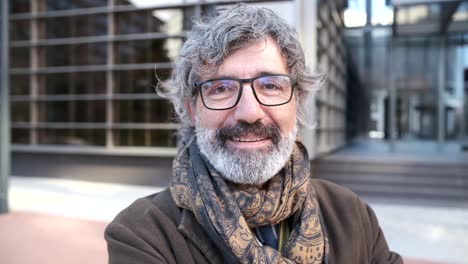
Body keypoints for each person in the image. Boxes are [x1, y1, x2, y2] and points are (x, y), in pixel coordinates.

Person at [105, 4, 402, 264]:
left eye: (270, 85)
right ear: (192, 110)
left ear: (296, 100)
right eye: (220, 88)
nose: (250, 112)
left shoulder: (352, 215)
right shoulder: (142, 234)